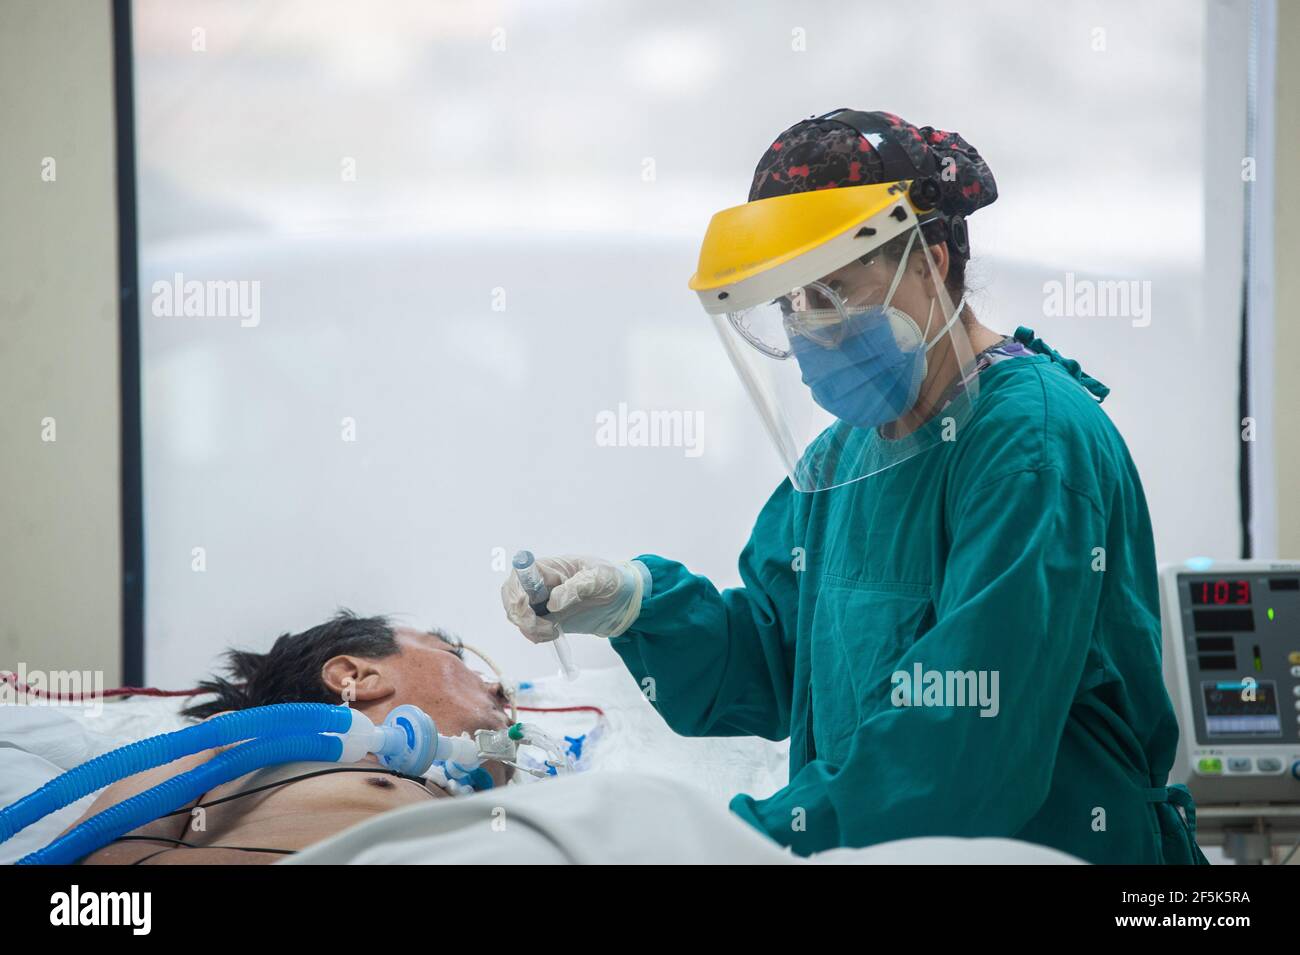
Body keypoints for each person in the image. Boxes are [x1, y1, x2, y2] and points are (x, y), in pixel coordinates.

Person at [502, 109, 1207, 864]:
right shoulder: (849, 453)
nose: (809, 326)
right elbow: (779, 658)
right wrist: (639, 604)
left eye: (834, 290)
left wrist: (746, 839)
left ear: (932, 259)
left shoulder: (1029, 446)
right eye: (790, 303)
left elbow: (962, 737)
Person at [65, 612, 513, 864]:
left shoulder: (491, 811)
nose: (498, 687)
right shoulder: (238, 750)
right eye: (455, 657)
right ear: (355, 676)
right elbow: (94, 873)